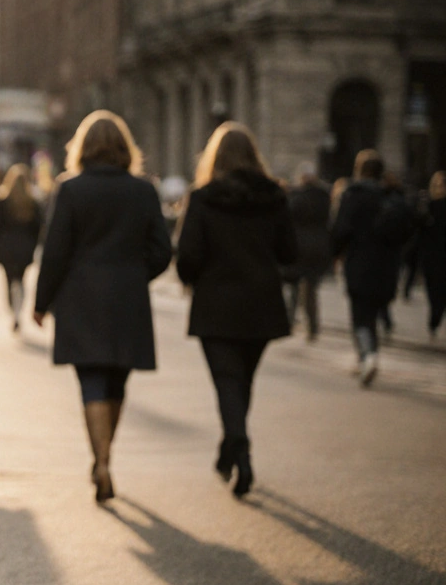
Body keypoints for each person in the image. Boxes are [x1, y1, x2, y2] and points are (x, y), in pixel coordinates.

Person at [32, 110, 172, 503]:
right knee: (117, 382)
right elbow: (162, 250)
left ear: (82, 147)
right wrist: (135, 274)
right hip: (128, 298)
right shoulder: (143, 190)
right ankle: (107, 457)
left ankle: (101, 461)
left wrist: (42, 302)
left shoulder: (71, 189)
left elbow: (55, 252)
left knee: (91, 380)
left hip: (80, 298)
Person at [176, 123, 297, 498]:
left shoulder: (203, 198)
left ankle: (238, 449)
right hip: (261, 304)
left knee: (228, 382)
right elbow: (289, 252)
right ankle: (230, 450)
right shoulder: (274, 196)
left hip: (216, 305)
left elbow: (188, 258)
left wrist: (194, 276)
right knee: (242, 380)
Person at [332, 150, 414, 386]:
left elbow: (341, 230)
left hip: (360, 262)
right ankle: (368, 356)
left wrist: (336, 254)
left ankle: (367, 356)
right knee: (374, 312)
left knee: (361, 314)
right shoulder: (391, 196)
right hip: (388, 265)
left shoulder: (354, 195)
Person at [0, 163, 44, 332]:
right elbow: (39, 227)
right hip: (25, 249)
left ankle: (14, 310)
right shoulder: (33, 202)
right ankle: (18, 310)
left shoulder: (3, 200)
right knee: (20, 280)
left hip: (7, 248)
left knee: (9, 280)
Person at [285, 161, 332, 341]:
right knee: (310, 288)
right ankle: (312, 325)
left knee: (295, 286)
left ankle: (290, 321)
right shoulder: (323, 196)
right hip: (318, 246)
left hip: (299, 246)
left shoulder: (297, 196)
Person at [421, 171, 446, 339]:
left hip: (433, 256)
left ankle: (434, 320)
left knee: (436, 292)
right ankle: (434, 320)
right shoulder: (428, 206)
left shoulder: (429, 206)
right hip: (432, 256)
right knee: (436, 292)